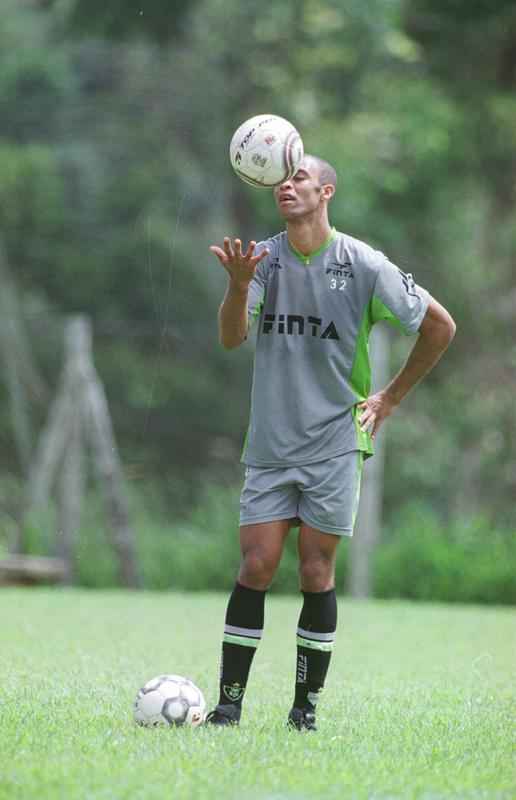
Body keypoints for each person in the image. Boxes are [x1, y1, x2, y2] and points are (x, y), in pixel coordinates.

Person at [205, 154, 456, 730]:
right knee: (257, 564)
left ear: (326, 191)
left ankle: (303, 713)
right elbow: (231, 337)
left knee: (315, 572)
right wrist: (240, 286)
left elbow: (441, 325)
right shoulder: (264, 261)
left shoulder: (364, 263)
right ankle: (227, 709)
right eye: (281, 180)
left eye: (299, 178)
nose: (286, 186)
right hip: (271, 444)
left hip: (335, 445)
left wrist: (390, 397)